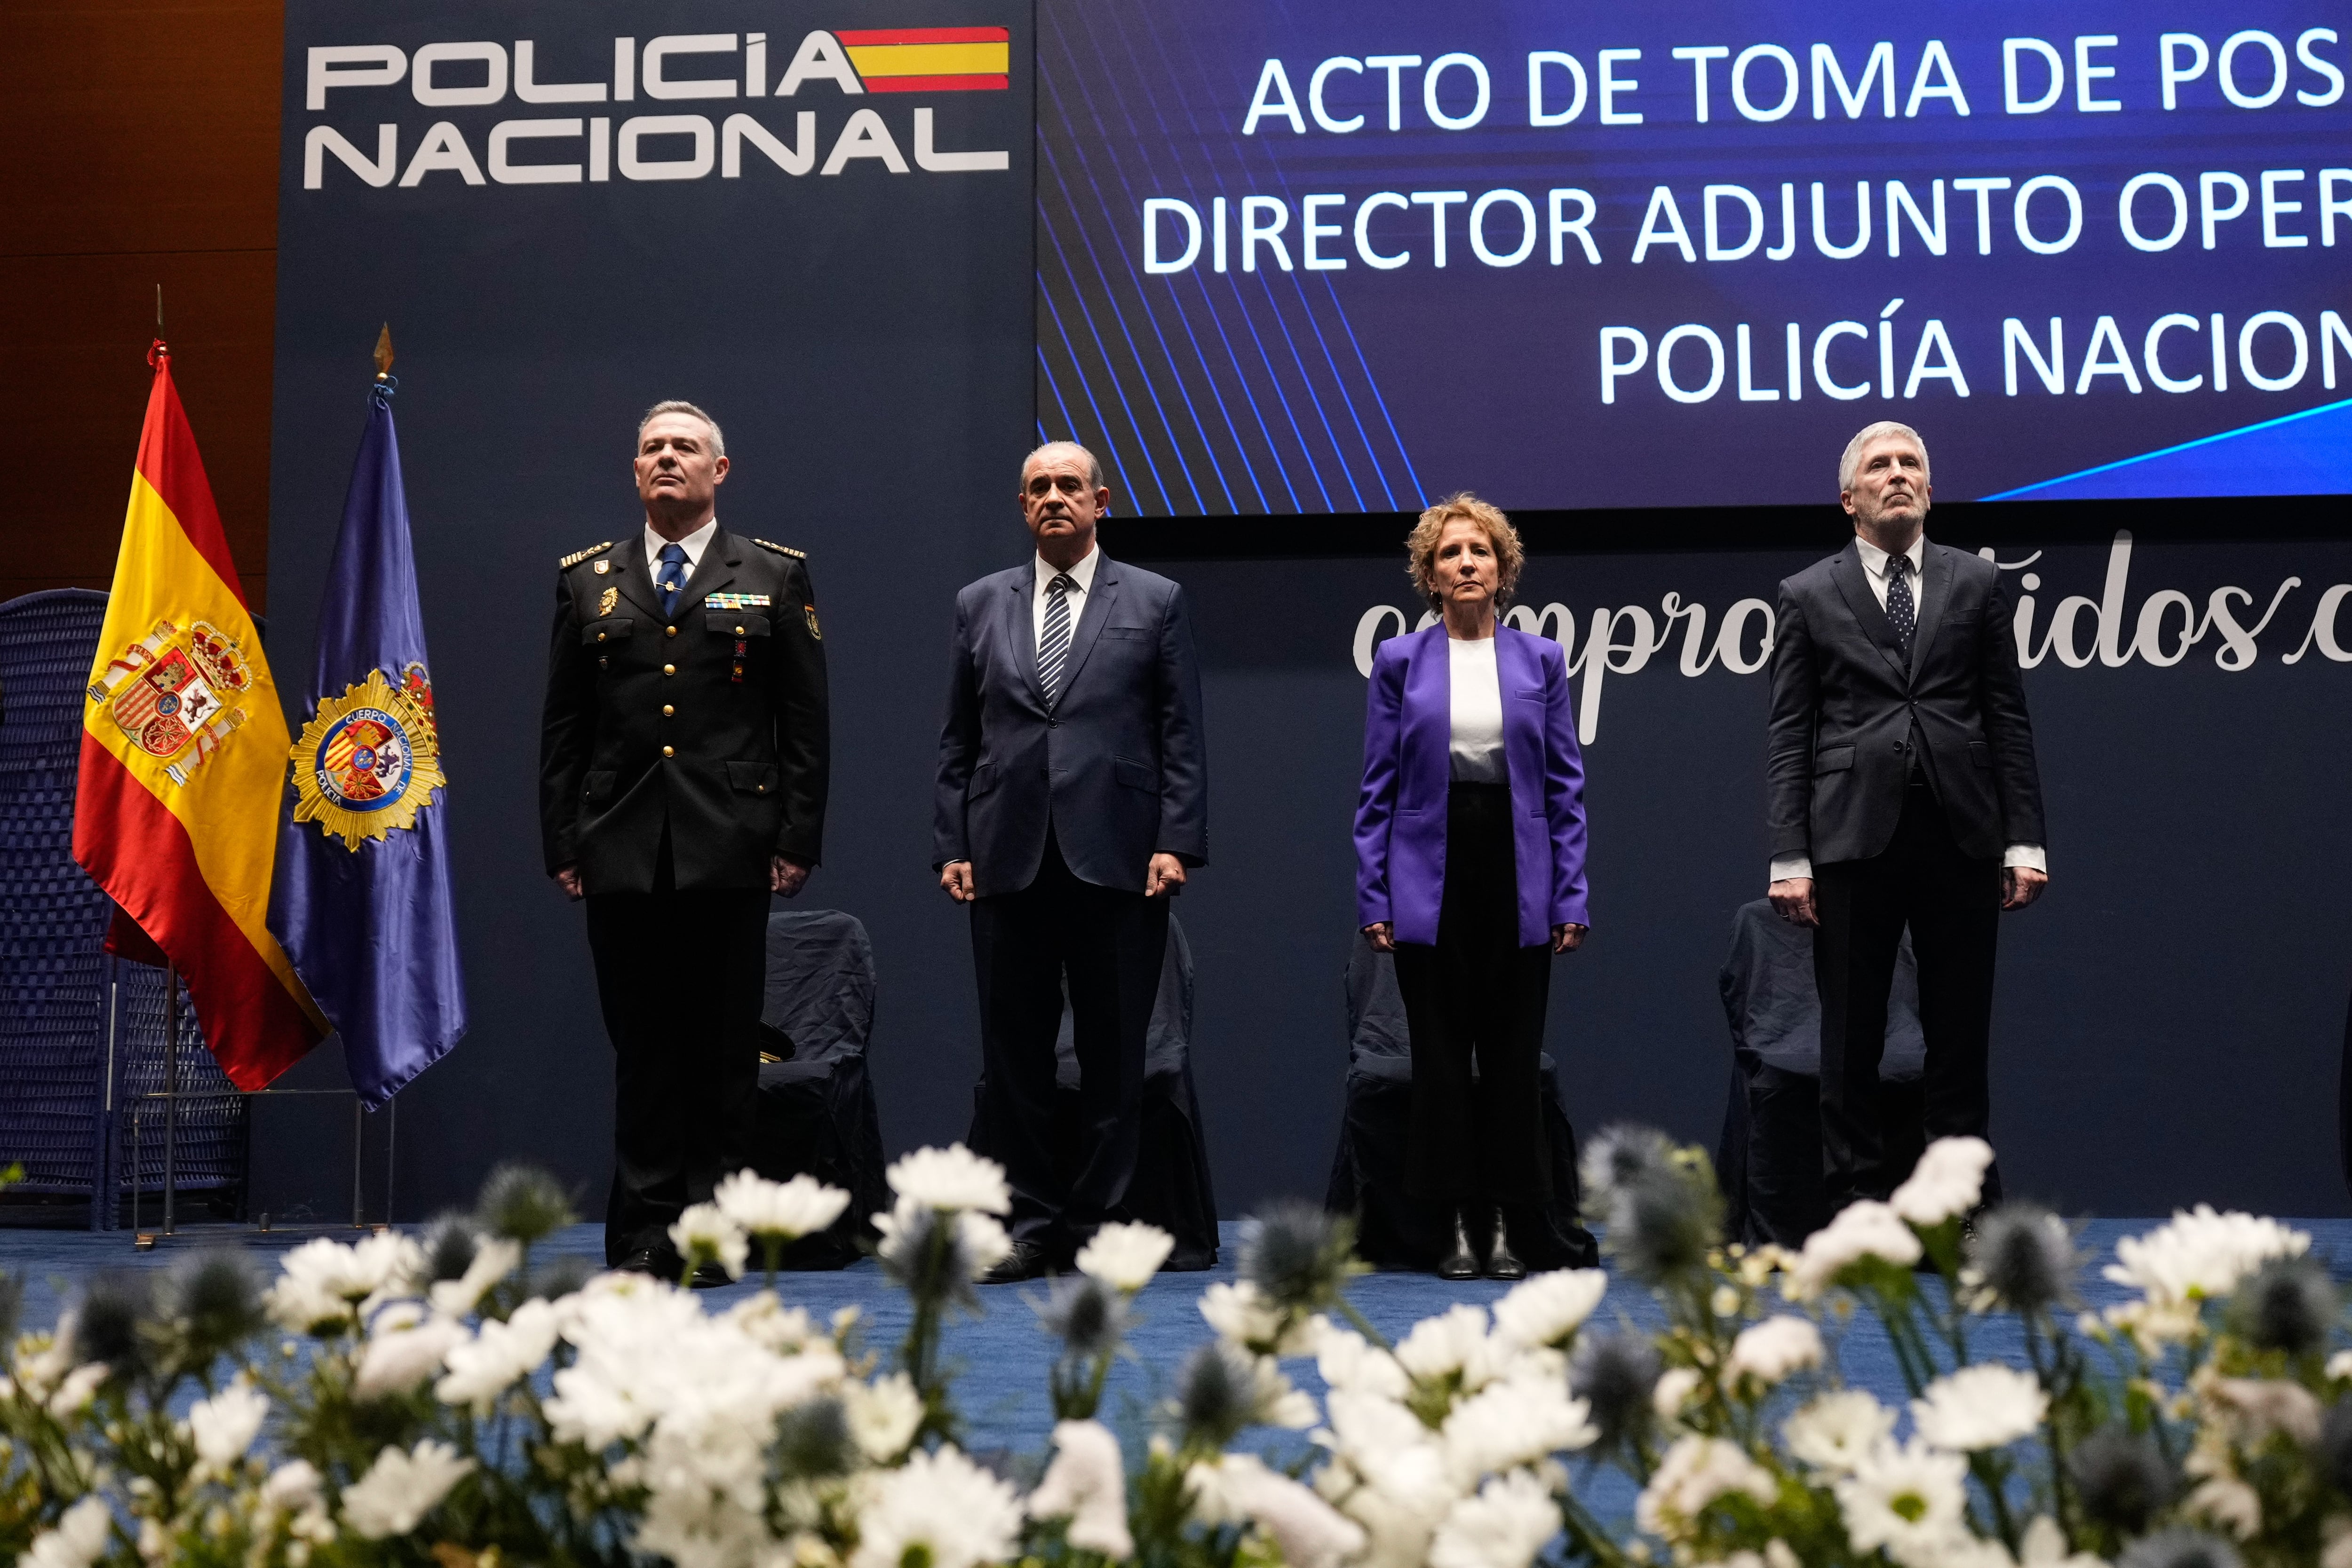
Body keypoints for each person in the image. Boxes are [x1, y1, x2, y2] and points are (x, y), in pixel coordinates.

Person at [540, 400, 829, 1279]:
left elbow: (805, 723)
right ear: (636, 472)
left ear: (720, 470)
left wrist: (797, 838)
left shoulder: (774, 575)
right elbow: (564, 725)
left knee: (722, 1048)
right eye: (653, 448)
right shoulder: (587, 578)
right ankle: (641, 1233)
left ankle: (715, 1233)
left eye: (686, 447)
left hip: (731, 843)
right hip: (619, 842)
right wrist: (563, 841)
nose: (668, 458)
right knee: (643, 1048)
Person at [932, 440, 1207, 1283]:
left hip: (1120, 856)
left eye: (1069, 487)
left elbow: (1180, 734)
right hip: (1006, 856)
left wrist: (1176, 839)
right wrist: (955, 843)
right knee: (1012, 1056)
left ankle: (1099, 1225)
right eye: (1038, 488)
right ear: (1023, 506)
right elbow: (959, 738)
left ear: (1101, 500)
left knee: (1114, 1054)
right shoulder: (981, 603)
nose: (1054, 498)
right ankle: (1033, 1223)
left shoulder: (1155, 599)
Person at [1765, 420, 2046, 1215]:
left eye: (1912, 463)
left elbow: (2007, 717)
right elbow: (1791, 733)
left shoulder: (1977, 584)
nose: (1898, 474)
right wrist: (1791, 856)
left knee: (1959, 1039)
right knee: (1850, 1039)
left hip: (1962, 834)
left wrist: (2024, 837)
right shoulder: (1808, 593)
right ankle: (1855, 1208)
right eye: (1880, 465)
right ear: (1848, 497)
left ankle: (1960, 1213)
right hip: (1851, 838)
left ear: (1929, 488)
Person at [1354, 494, 1589, 1281]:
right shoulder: (1399, 662)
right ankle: (1455, 1224)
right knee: (1444, 1061)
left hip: (1519, 871)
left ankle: (1512, 1226)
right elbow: (1376, 793)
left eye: (1479, 552)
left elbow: (1564, 789)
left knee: (1515, 1062)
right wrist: (1376, 895)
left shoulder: (1542, 660)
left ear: (1503, 568)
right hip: (1430, 871)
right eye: (1450, 553)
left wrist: (1570, 895)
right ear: (1428, 573)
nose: (1465, 564)